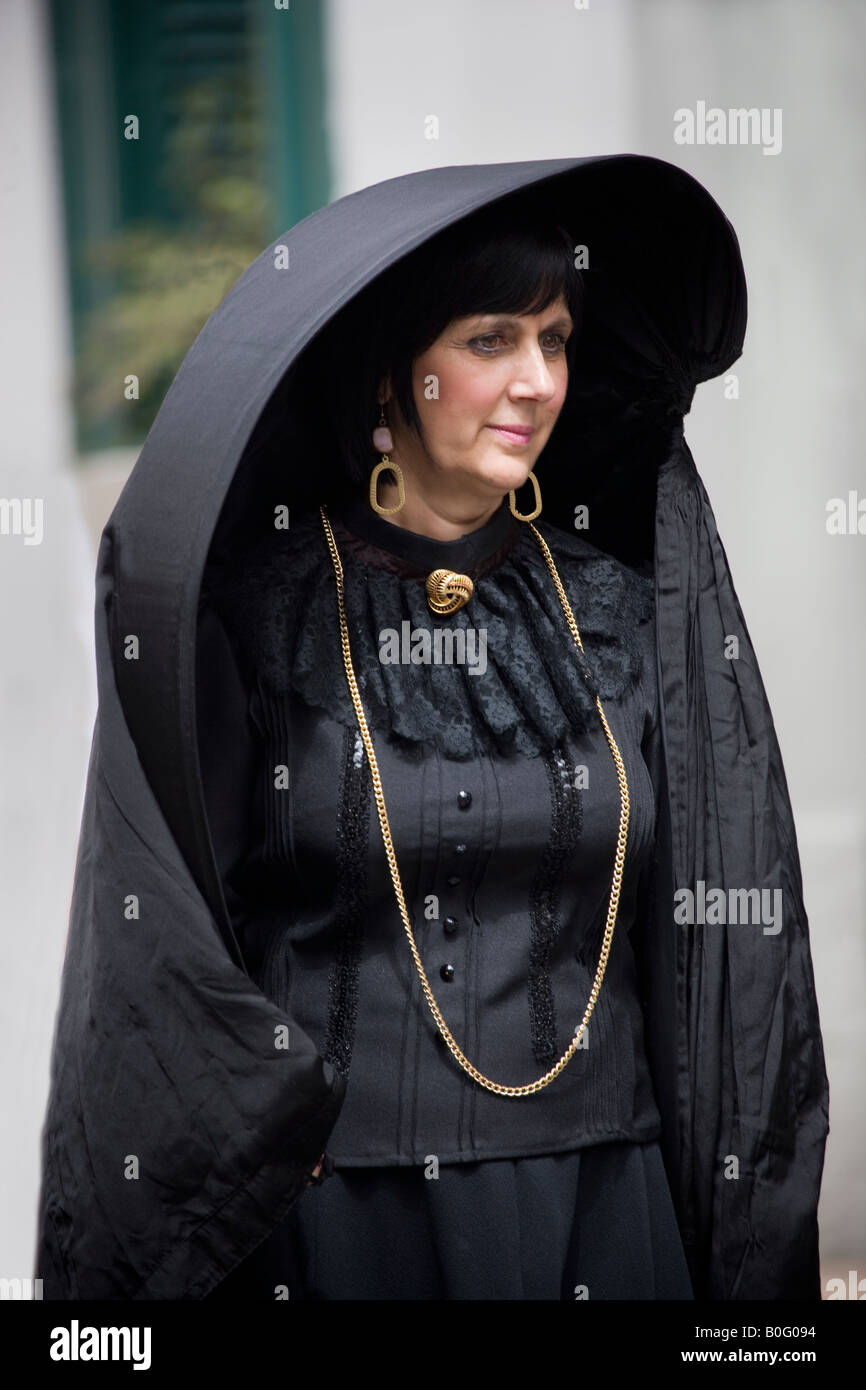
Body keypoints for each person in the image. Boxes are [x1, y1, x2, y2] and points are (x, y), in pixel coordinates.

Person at [34, 155, 829, 1302]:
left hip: (607, 1202)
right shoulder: (260, 615)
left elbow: (710, 930)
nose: (536, 380)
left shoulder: (617, 606)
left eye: (553, 340)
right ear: (396, 377)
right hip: (345, 1218)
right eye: (491, 339)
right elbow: (173, 931)